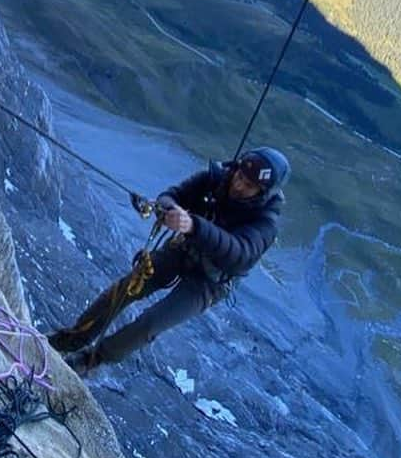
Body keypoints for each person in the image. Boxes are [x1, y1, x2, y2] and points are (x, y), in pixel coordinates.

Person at [47, 147, 290, 372]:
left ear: (262, 193)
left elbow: (238, 254)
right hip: (183, 250)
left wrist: (194, 225)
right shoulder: (216, 179)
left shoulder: (265, 225)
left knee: (151, 323)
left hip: (210, 281)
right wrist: (168, 209)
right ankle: (73, 338)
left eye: (248, 185)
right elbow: (172, 195)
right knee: (126, 289)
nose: (238, 185)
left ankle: (93, 359)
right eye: (239, 175)